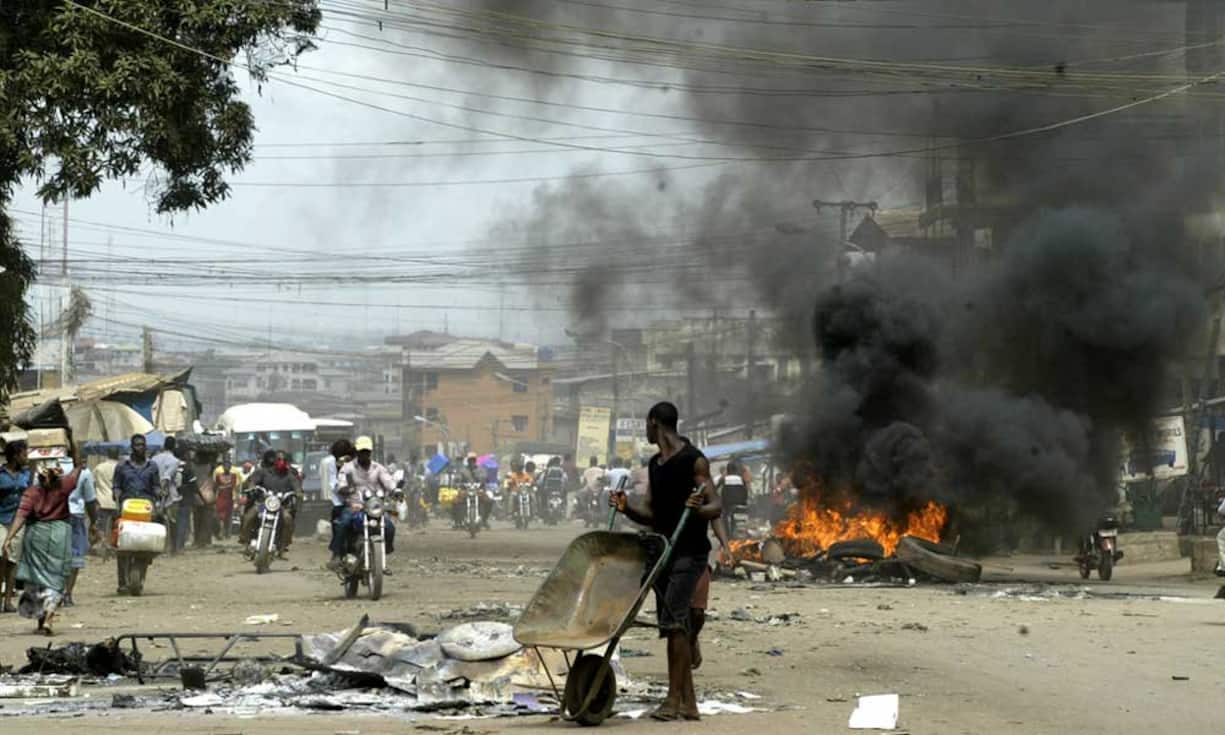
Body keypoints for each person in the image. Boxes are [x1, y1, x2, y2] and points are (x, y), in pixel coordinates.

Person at [610, 402, 720, 722]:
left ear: (654, 423)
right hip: (663, 552)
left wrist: (697, 507)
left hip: (690, 552)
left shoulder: (693, 460)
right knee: (676, 627)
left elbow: (716, 506)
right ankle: (690, 703)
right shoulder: (655, 464)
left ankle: (673, 700)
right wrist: (626, 507)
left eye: (645, 426)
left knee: (674, 625)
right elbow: (652, 514)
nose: (645, 431)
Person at [2, 461, 95, 635]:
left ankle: (40, 620)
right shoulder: (65, 485)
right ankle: (49, 618)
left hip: (36, 536)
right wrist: (76, 457)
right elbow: (77, 469)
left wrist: (9, 538)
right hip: (60, 535)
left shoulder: (31, 493)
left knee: (37, 580)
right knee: (55, 580)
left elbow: (21, 516)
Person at [329, 436, 396, 570]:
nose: (364, 454)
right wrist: (344, 488)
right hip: (355, 505)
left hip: (374, 506)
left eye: (367, 451)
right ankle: (336, 554)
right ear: (357, 452)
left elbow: (388, 481)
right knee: (344, 522)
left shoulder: (378, 468)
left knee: (389, 526)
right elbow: (341, 482)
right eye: (361, 451)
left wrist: (396, 490)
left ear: (370, 452)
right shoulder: (348, 468)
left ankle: (384, 551)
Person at [111, 434, 161, 594]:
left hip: (146, 509)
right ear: (132, 447)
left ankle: (141, 573)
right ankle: (122, 582)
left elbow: (156, 486)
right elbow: (116, 486)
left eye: (143, 445)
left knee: (146, 542)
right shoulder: (121, 466)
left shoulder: (152, 466)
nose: (141, 448)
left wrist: (160, 492)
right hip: (127, 508)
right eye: (137, 445)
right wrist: (117, 495)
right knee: (122, 545)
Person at [241, 449, 300, 556]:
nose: (281, 461)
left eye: (284, 459)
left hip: (280, 507)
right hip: (263, 505)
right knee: (249, 516)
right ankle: (245, 540)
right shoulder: (263, 472)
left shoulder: (289, 475)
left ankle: (283, 544)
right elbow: (253, 481)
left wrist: (298, 493)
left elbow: (297, 486)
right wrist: (252, 488)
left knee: (287, 519)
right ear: (274, 460)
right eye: (279, 459)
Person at [63, 452, 99, 607]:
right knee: (75, 557)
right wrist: (93, 521)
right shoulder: (84, 472)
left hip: (52, 516)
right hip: (75, 516)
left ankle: (55, 592)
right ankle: (67, 594)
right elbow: (90, 500)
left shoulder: (49, 466)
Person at [0, 440, 31, 613]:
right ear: (15, 455)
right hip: (1, 519)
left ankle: (7, 601)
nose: (26, 458)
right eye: (24, 455)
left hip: (19, 521)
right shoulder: (1, 474)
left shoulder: (26, 474)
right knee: (1, 559)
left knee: (12, 562)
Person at [151, 436, 182, 554]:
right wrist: (162, 493)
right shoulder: (174, 461)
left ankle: (158, 547)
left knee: (157, 521)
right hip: (169, 496)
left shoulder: (154, 459)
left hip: (154, 494)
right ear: (174, 446)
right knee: (172, 521)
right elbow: (166, 478)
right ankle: (173, 548)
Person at [321, 439, 355, 525]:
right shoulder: (332, 464)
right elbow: (334, 485)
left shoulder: (355, 462)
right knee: (342, 525)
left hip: (357, 501)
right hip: (339, 502)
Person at [92, 450, 118, 558]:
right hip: (116, 502)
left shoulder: (99, 467)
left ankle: (103, 547)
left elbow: (93, 482)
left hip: (102, 500)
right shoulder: (120, 467)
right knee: (115, 527)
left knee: (101, 526)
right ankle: (112, 547)